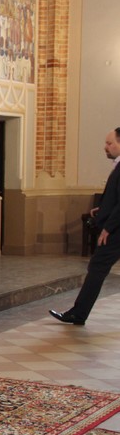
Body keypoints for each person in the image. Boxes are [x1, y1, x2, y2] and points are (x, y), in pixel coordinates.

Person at [50, 128, 120, 326]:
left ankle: (78, 313)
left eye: (110, 143)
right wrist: (102, 209)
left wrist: (108, 228)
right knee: (97, 268)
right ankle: (79, 312)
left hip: (116, 232)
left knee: (97, 268)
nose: (105, 147)